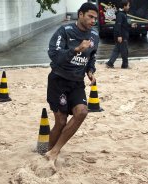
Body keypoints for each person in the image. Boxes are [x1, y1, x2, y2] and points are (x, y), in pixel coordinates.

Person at [45, 2, 99, 160]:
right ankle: (48, 151)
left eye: (95, 18)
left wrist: (90, 70)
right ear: (80, 14)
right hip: (58, 80)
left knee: (82, 112)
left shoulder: (94, 35)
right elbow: (54, 55)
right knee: (61, 121)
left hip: (77, 82)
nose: (93, 21)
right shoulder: (65, 31)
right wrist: (75, 50)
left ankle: (54, 151)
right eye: (90, 17)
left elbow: (92, 56)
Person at [105, 0, 136, 69]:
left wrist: (131, 25)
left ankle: (110, 63)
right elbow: (118, 26)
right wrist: (119, 36)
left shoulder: (123, 14)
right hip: (122, 36)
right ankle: (125, 65)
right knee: (124, 51)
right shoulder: (120, 14)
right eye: (128, 5)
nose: (129, 7)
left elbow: (124, 25)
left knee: (117, 50)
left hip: (122, 35)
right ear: (124, 6)